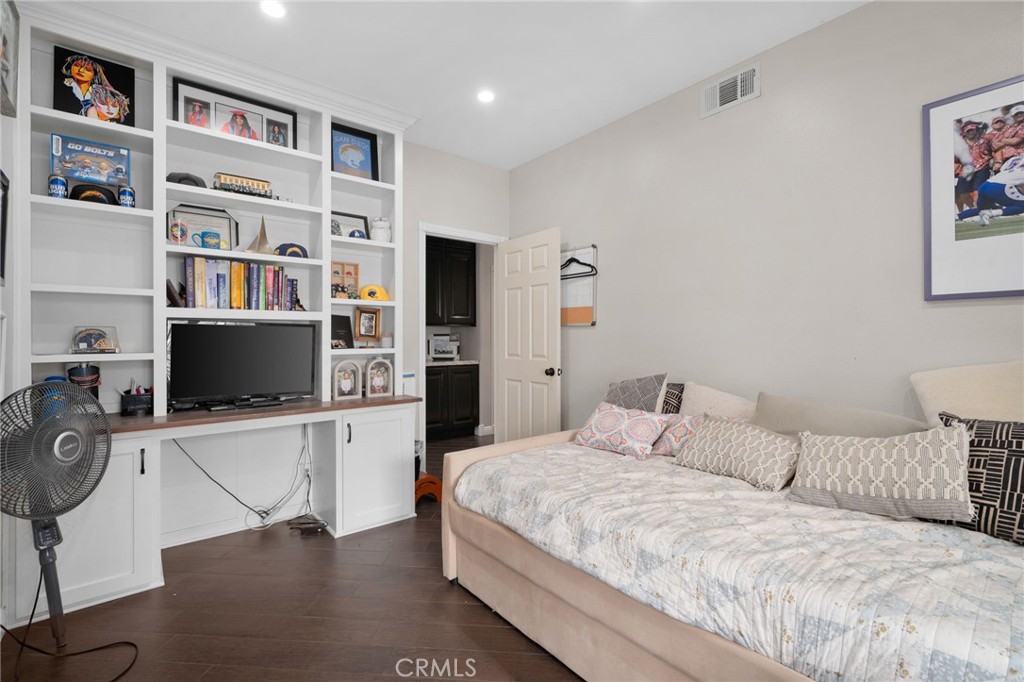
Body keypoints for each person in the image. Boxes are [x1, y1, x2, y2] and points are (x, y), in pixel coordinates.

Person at [956, 152, 1024, 226]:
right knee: (1021, 205)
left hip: (986, 185)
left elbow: (1003, 169)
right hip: (1000, 186)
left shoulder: (1016, 158)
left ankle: (956, 217)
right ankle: (991, 214)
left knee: (981, 209)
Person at [61, 53, 130, 122]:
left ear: (94, 74)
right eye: (77, 66)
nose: (81, 70)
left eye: (88, 69)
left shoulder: (98, 90)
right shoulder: (65, 88)